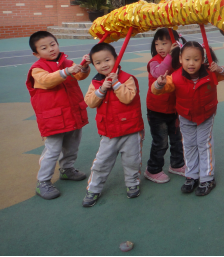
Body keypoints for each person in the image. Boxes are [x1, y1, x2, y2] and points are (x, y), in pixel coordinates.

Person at [152, 41, 224, 196]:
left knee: (204, 144)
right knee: (189, 144)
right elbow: (157, 91)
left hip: (205, 115)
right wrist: (159, 83)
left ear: (203, 59)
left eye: (196, 59)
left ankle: (207, 177)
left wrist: (220, 69)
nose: (191, 63)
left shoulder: (211, 72)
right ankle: (192, 175)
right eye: (188, 59)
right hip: (186, 116)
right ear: (181, 59)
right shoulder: (175, 77)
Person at [26, 31, 91, 200]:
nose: (50, 49)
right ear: (36, 53)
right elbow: (48, 80)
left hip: (72, 113)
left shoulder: (67, 62)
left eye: (52, 44)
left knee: (72, 143)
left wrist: (84, 67)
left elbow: (80, 75)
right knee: (53, 149)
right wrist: (66, 71)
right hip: (53, 118)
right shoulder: (37, 69)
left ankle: (67, 169)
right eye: (44, 47)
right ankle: (43, 181)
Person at [83, 43, 145, 208]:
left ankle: (132, 182)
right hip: (108, 132)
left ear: (116, 59)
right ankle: (94, 188)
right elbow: (90, 102)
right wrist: (102, 89)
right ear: (94, 65)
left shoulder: (128, 79)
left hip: (130, 129)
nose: (103, 65)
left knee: (132, 160)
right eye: (98, 62)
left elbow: (128, 98)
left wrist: (116, 83)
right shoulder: (96, 82)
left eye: (108, 60)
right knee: (101, 162)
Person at [144, 28, 186, 184]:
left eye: (164, 43)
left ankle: (177, 164)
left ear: (174, 43)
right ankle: (153, 169)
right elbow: (158, 73)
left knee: (177, 138)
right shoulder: (154, 61)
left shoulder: (179, 60)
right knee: (160, 141)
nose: (160, 47)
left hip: (174, 108)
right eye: (157, 44)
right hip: (157, 110)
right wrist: (170, 55)